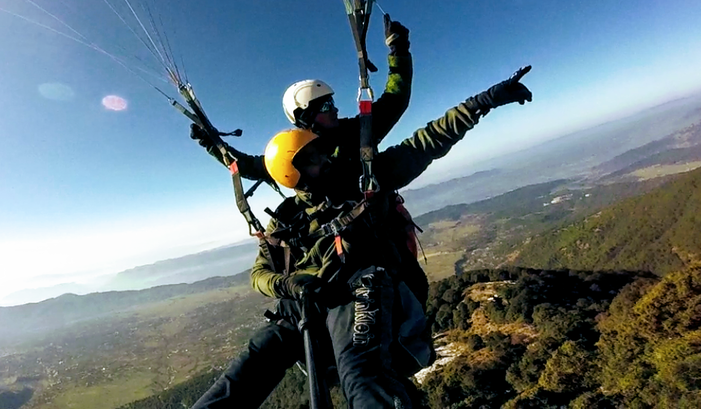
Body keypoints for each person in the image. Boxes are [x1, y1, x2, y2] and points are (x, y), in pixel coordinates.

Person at [192, 66, 534, 409]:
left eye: (321, 152)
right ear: (293, 174)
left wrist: (483, 101)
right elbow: (259, 273)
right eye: (313, 158)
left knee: (362, 375)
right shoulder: (285, 217)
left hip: (355, 288)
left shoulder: (361, 180)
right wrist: (289, 285)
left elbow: (426, 142)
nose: (325, 159)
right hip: (302, 303)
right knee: (250, 366)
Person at [189, 14, 414, 185]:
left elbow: (395, 100)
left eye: (332, 103)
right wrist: (211, 143)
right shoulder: (294, 155)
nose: (335, 110)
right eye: (326, 106)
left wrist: (399, 52)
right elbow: (247, 166)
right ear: (307, 117)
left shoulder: (355, 131)